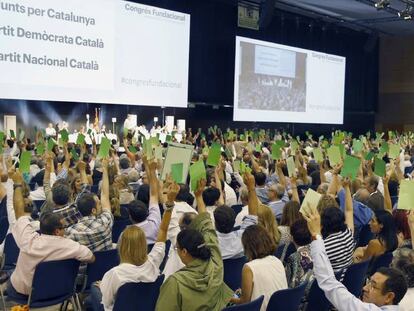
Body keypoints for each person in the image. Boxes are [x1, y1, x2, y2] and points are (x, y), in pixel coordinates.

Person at [88, 182, 179, 311]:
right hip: (146, 306)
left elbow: (106, 304)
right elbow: (163, 231)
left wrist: (102, 285)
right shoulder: (154, 262)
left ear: (122, 247)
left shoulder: (114, 274)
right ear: (143, 245)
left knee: (94, 287)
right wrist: (169, 203)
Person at [7, 169, 95, 297]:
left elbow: (18, 212)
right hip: (60, 291)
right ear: (57, 231)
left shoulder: (28, 239)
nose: (66, 229)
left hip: (26, 293)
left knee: (11, 272)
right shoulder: (70, 246)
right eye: (64, 227)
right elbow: (91, 257)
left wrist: (17, 184)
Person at [302, 205, 408, 311]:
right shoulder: (348, 234)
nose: (364, 288)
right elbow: (349, 210)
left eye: (373, 286)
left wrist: (316, 235)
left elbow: (329, 283)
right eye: (370, 283)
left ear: (389, 297)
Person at [155, 179, 233, 311]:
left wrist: (170, 202)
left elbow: (167, 228)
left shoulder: (175, 283)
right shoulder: (215, 263)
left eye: (177, 248)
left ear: (184, 252)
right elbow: (207, 225)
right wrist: (199, 196)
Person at [230, 225, 288, 311]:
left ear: (247, 246)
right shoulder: (277, 261)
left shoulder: (249, 268)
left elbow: (244, 302)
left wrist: (228, 298)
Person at [65, 158, 113, 252]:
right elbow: (105, 196)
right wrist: (105, 169)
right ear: (93, 210)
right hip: (108, 266)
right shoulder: (105, 221)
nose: (101, 205)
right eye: (99, 204)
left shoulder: (71, 231)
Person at [214, 172, 258, 259]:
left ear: (215, 223)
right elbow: (253, 214)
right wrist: (251, 187)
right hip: (241, 272)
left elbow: (203, 218)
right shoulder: (244, 237)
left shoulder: (211, 244)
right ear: (234, 222)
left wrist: (199, 196)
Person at [127, 157, 161, 245]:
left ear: (130, 217)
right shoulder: (155, 222)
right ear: (147, 212)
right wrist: (152, 170)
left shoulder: (126, 235)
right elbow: (153, 194)